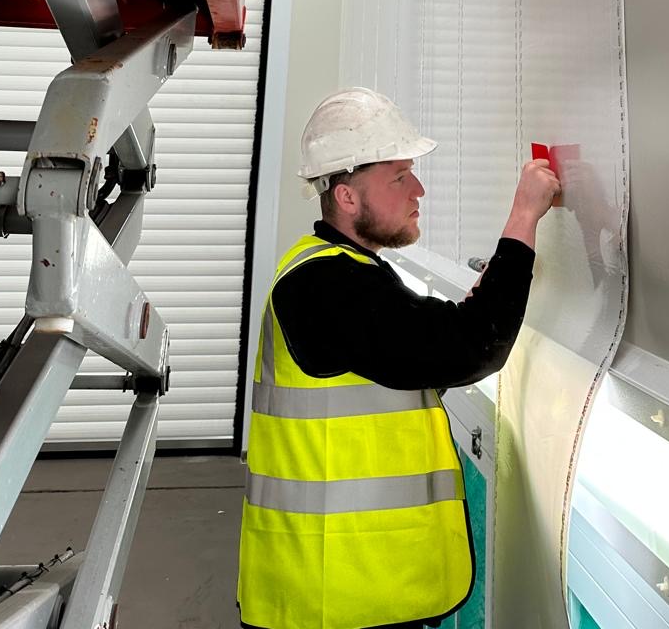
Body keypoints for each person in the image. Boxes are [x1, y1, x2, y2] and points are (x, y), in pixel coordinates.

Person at [238, 86, 561, 629]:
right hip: (335, 599)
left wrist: (479, 300)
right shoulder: (325, 285)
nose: (419, 189)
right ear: (347, 197)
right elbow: (470, 347)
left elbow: (418, 345)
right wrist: (524, 215)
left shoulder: (343, 271)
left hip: (345, 588)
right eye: (399, 177)